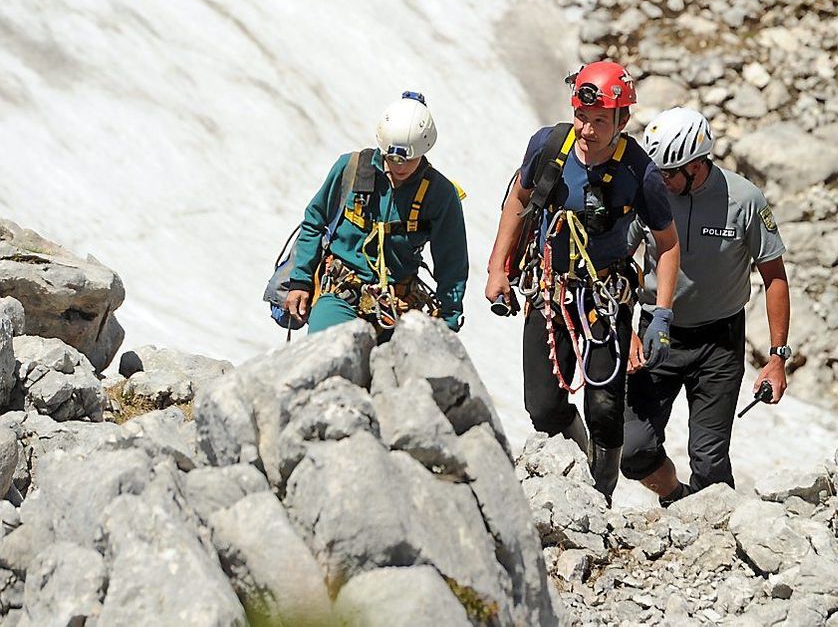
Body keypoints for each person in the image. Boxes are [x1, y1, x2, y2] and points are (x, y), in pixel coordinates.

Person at [485, 61, 680, 504]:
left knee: (605, 408)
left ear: (621, 121)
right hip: (549, 291)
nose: (587, 131)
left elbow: (666, 244)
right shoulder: (549, 145)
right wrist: (498, 267)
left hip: (604, 300)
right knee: (543, 407)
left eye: (598, 122)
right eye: (581, 118)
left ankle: (599, 494)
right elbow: (519, 198)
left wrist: (662, 313)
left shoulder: (640, 172)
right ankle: (578, 465)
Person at [622, 106, 792, 507]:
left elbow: (775, 278)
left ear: (696, 165)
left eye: (669, 173)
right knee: (633, 450)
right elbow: (617, 263)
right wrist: (624, 330)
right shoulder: (647, 193)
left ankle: (716, 544)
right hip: (655, 335)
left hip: (719, 344)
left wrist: (777, 357)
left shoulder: (745, 199)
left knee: (711, 463)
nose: (660, 180)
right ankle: (677, 498)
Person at [284, 92, 468, 338]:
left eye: (408, 159)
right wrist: (301, 281)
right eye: (392, 158)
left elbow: (452, 261)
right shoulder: (350, 168)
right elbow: (315, 222)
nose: (400, 166)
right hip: (340, 294)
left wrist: (448, 318)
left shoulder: (440, 194)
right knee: (329, 354)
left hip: (399, 306)